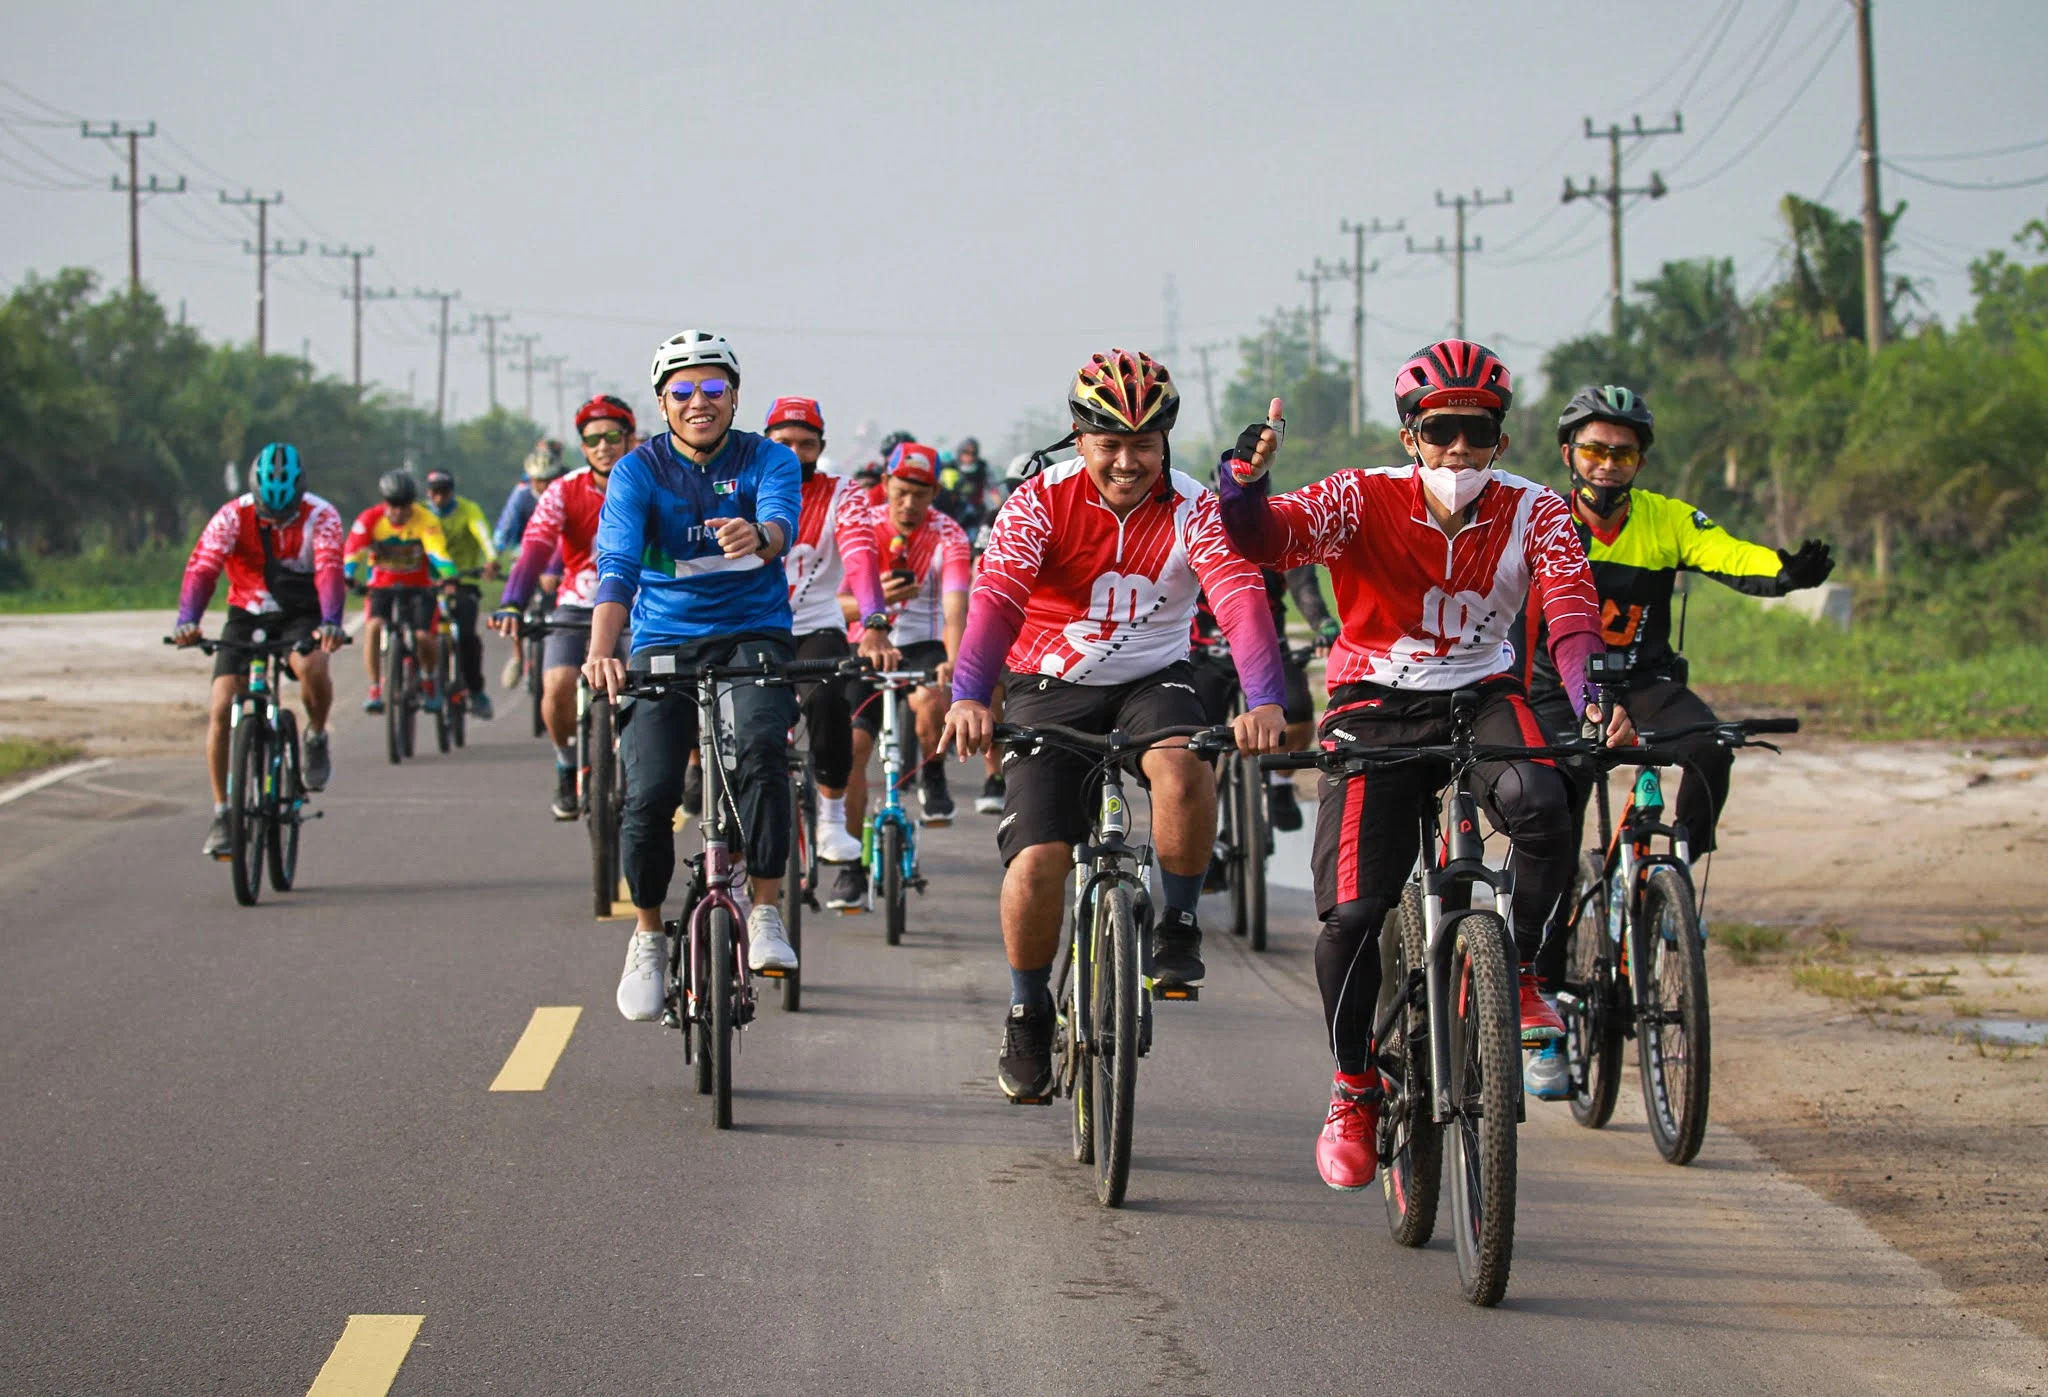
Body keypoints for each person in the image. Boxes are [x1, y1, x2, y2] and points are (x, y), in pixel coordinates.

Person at [1215, 339, 1633, 1192]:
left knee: (1547, 805)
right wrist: (1244, 482)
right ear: (1410, 434)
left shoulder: (1536, 511)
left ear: (1501, 441)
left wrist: (1590, 693)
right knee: (1353, 914)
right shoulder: (1358, 495)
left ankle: (1517, 969)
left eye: (1476, 433)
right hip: (1374, 699)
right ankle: (1354, 1087)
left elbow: (1572, 609)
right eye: (1440, 430)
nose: (1458, 451)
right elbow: (1264, 538)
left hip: (1482, 694)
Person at [940, 347, 1288, 1103]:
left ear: (1166, 439)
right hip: (1047, 685)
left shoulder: (1196, 505)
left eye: (1144, 445)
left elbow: (1240, 601)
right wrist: (971, 693)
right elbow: (996, 602)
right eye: (1110, 445)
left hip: (1151, 682)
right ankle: (1029, 1010)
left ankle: (1181, 920)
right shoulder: (1038, 501)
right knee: (1037, 862)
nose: (1128, 463)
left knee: (1184, 763)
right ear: (1078, 435)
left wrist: (1265, 698)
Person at [1518, 384, 1835, 1098]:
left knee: (1711, 744)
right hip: (1552, 690)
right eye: (1595, 450)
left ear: (1640, 460)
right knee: (1554, 825)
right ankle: (1544, 1006)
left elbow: (1726, 553)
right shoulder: (1538, 516)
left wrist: (1783, 572)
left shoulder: (1665, 520)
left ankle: (1673, 881)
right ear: (1570, 454)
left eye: (1623, 453)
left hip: (1646, 682)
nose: (1607, 465)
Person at [583, 330, 805, 1021]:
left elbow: (780, 524)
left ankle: (765, 907)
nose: (699, 401)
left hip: (753, 633)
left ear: (735, 396)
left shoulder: (769, 457)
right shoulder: (637, 470)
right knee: (645, 794)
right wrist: (602, 647)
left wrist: (759, 537)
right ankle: (648, 935)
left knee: (767, 751)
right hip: (664, 638)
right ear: (662, 402)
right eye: (683, 391)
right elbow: (617, 564)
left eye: (713, 389)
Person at [174, 443, 347, 856]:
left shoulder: (322, 516)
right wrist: (188, 620)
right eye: (270, 513)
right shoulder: (232, 515)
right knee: (221, 709)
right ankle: (222, 812)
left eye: (285, 514)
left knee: (314, 668)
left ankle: (317, 735)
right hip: (247, 612)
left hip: (300, 611)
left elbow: (328, 571)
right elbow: (202, 568)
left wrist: (332, 623)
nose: (278, 521)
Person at [762, 393, 891, 907]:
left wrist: (876, 621)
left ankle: (833, 818)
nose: (794, 453)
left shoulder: (845, 493)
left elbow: (860, 556)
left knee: (827, 700)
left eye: (806, 443)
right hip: (754, 626)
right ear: (764, 443)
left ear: (820, 447)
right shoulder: (742, 486)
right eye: (783, 443)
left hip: (816, 625)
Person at [491, 395, 642, 818]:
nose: (604, 446)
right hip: (578, 606)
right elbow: (536, 546)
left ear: (629, 438)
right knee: (556, 685)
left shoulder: (654, 481)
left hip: (641, 606)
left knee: (653, 695)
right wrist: (512, 602)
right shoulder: (562, 490)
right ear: (582, 446)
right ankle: (564, 760)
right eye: (593, 439)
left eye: (614, 436)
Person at [842, 441, 972, 875]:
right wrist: (870, 603)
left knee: (933, 701)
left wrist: (954, 662)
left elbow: (955, 608)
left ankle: (932, 772)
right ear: (885, 485)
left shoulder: (949, 535)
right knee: (854, 747)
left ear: (934, 493)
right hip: (864, 643)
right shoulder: (863, 526)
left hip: (921, 642)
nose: (909, 503)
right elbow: (831, 603)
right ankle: (851, 862)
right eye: (900, 492)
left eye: (920, 494)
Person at [1187, 562, 1333, 832]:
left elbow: (1304, 587)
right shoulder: (1199, 533)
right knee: (1198, 745)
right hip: (1206, 654)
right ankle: (1207, 829)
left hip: (1270, 651)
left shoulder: (1271, 532)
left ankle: (1280, 784)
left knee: (1299, 714)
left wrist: (1322, 622)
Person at [345, 469, 458, 713]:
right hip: (381, 587)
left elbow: (437, 552)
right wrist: (348, 575)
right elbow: (353, 550)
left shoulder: (426, 519)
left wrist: (449, 576)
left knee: (424, 638)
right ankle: (375, 687)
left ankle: (429, 679)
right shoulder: (370, 519)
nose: (398, 512)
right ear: (385, 502)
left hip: (418, 588)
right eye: (393, 505)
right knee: (373, 627)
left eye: (404, 506)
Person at [424, 469, 500, 720]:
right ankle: (421, 680)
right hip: (429, 583)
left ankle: (476, 690)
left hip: (465, 581)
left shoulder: (468, 510)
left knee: (467, 635)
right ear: (428, 493)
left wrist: (491, 560)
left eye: (444, 491)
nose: (439, 497)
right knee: (421, 634)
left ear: (452, 491)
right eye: (434, 492)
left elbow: (483, 534)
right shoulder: (422, 516)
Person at [494, 439, 567, 555]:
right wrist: (499, 547)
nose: (544, 486)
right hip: (525, 546)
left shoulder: (567, 485)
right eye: (539, 481)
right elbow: (508, 520)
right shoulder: (522, 491)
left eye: (548, 480)